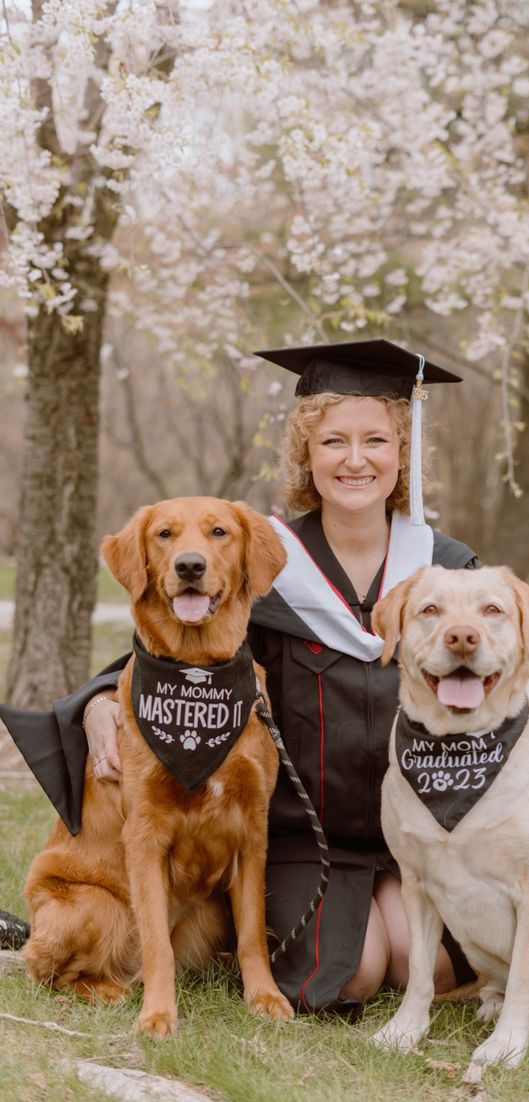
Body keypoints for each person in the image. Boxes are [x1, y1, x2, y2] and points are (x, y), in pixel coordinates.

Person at [1, 339, 478, 1012]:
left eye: (376, 440)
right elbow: (171, 657)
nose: (354, 459)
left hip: (414, 827)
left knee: (427, 965)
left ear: (402, 453)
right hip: (303, 836)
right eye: (332, 441)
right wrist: (99, 701)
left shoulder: (445, 567)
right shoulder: (271, 569)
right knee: (359, 976)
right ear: (305, 455)